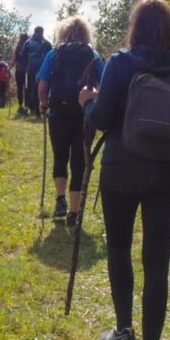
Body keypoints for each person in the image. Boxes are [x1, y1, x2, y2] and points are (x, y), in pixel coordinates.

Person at [78, 0, 170, 340]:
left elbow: (102, 119)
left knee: (118, 247)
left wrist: (88, 103)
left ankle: (123, 332)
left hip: (120, 168)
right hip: (168, 175)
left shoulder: (120, 63)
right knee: (157, 261)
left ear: (135, 28)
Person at [36, 17, 105, 223]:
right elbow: (105, 85)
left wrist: (43, 104)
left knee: (60, 157)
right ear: (86, 33)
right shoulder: (92, 55)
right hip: (85, 115)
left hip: (58, 113)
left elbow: (42, 86)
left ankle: (60, 200)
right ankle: (74, 212)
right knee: (79, 161)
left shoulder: (53, 53)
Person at [22, 26, 52, 117]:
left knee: (31, 88)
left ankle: (32, 108)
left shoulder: (28, 42)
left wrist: (26, 65)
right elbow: (51, 56)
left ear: (34, 32)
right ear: (42, 32)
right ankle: (43, 108)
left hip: (30, 69)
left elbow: (22, 55)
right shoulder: (46, 43)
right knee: (44, 88)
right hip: (43, 69)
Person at [12, 32, 30, 114]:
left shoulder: (17, 47)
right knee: (27, 89)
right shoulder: (30, 46)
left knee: (19, 88)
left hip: (19, 70)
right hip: (28, 71)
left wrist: (9, 68)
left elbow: (14, 60)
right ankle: (27, 106)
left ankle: (20, 105)